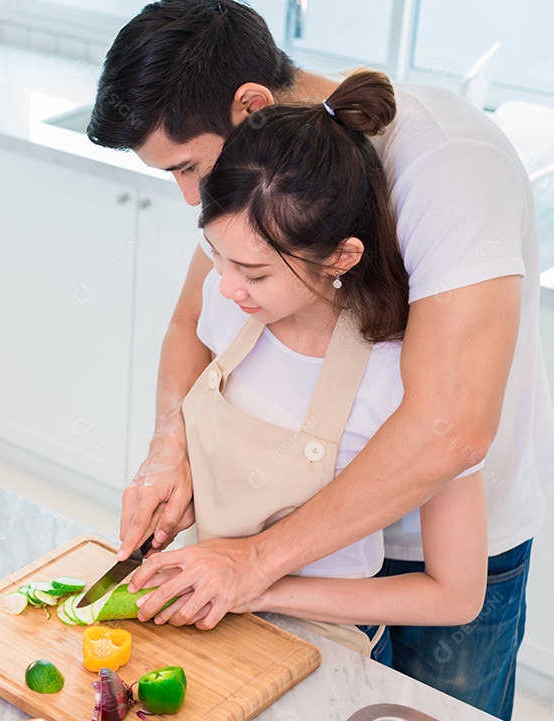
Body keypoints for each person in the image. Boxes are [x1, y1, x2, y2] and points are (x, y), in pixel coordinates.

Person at [87, 2, 554, 718]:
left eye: (187, 166)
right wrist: (169, 447)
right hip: (301, 554)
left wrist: (256, 564)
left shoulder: (448, 169)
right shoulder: (255, 201)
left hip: (440, 548)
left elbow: (449, 430)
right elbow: (192, 318)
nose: (187, 196)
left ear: (250, 106)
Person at [174, 69, 487, 661]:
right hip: (208, 623)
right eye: (218, 256)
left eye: (257, 273)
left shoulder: (403, 381)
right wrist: (172, 466)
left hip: (322, 649)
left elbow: (456, 595)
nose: (227, 286)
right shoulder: (227, 310)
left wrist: (261, 581)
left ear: (341, 256)